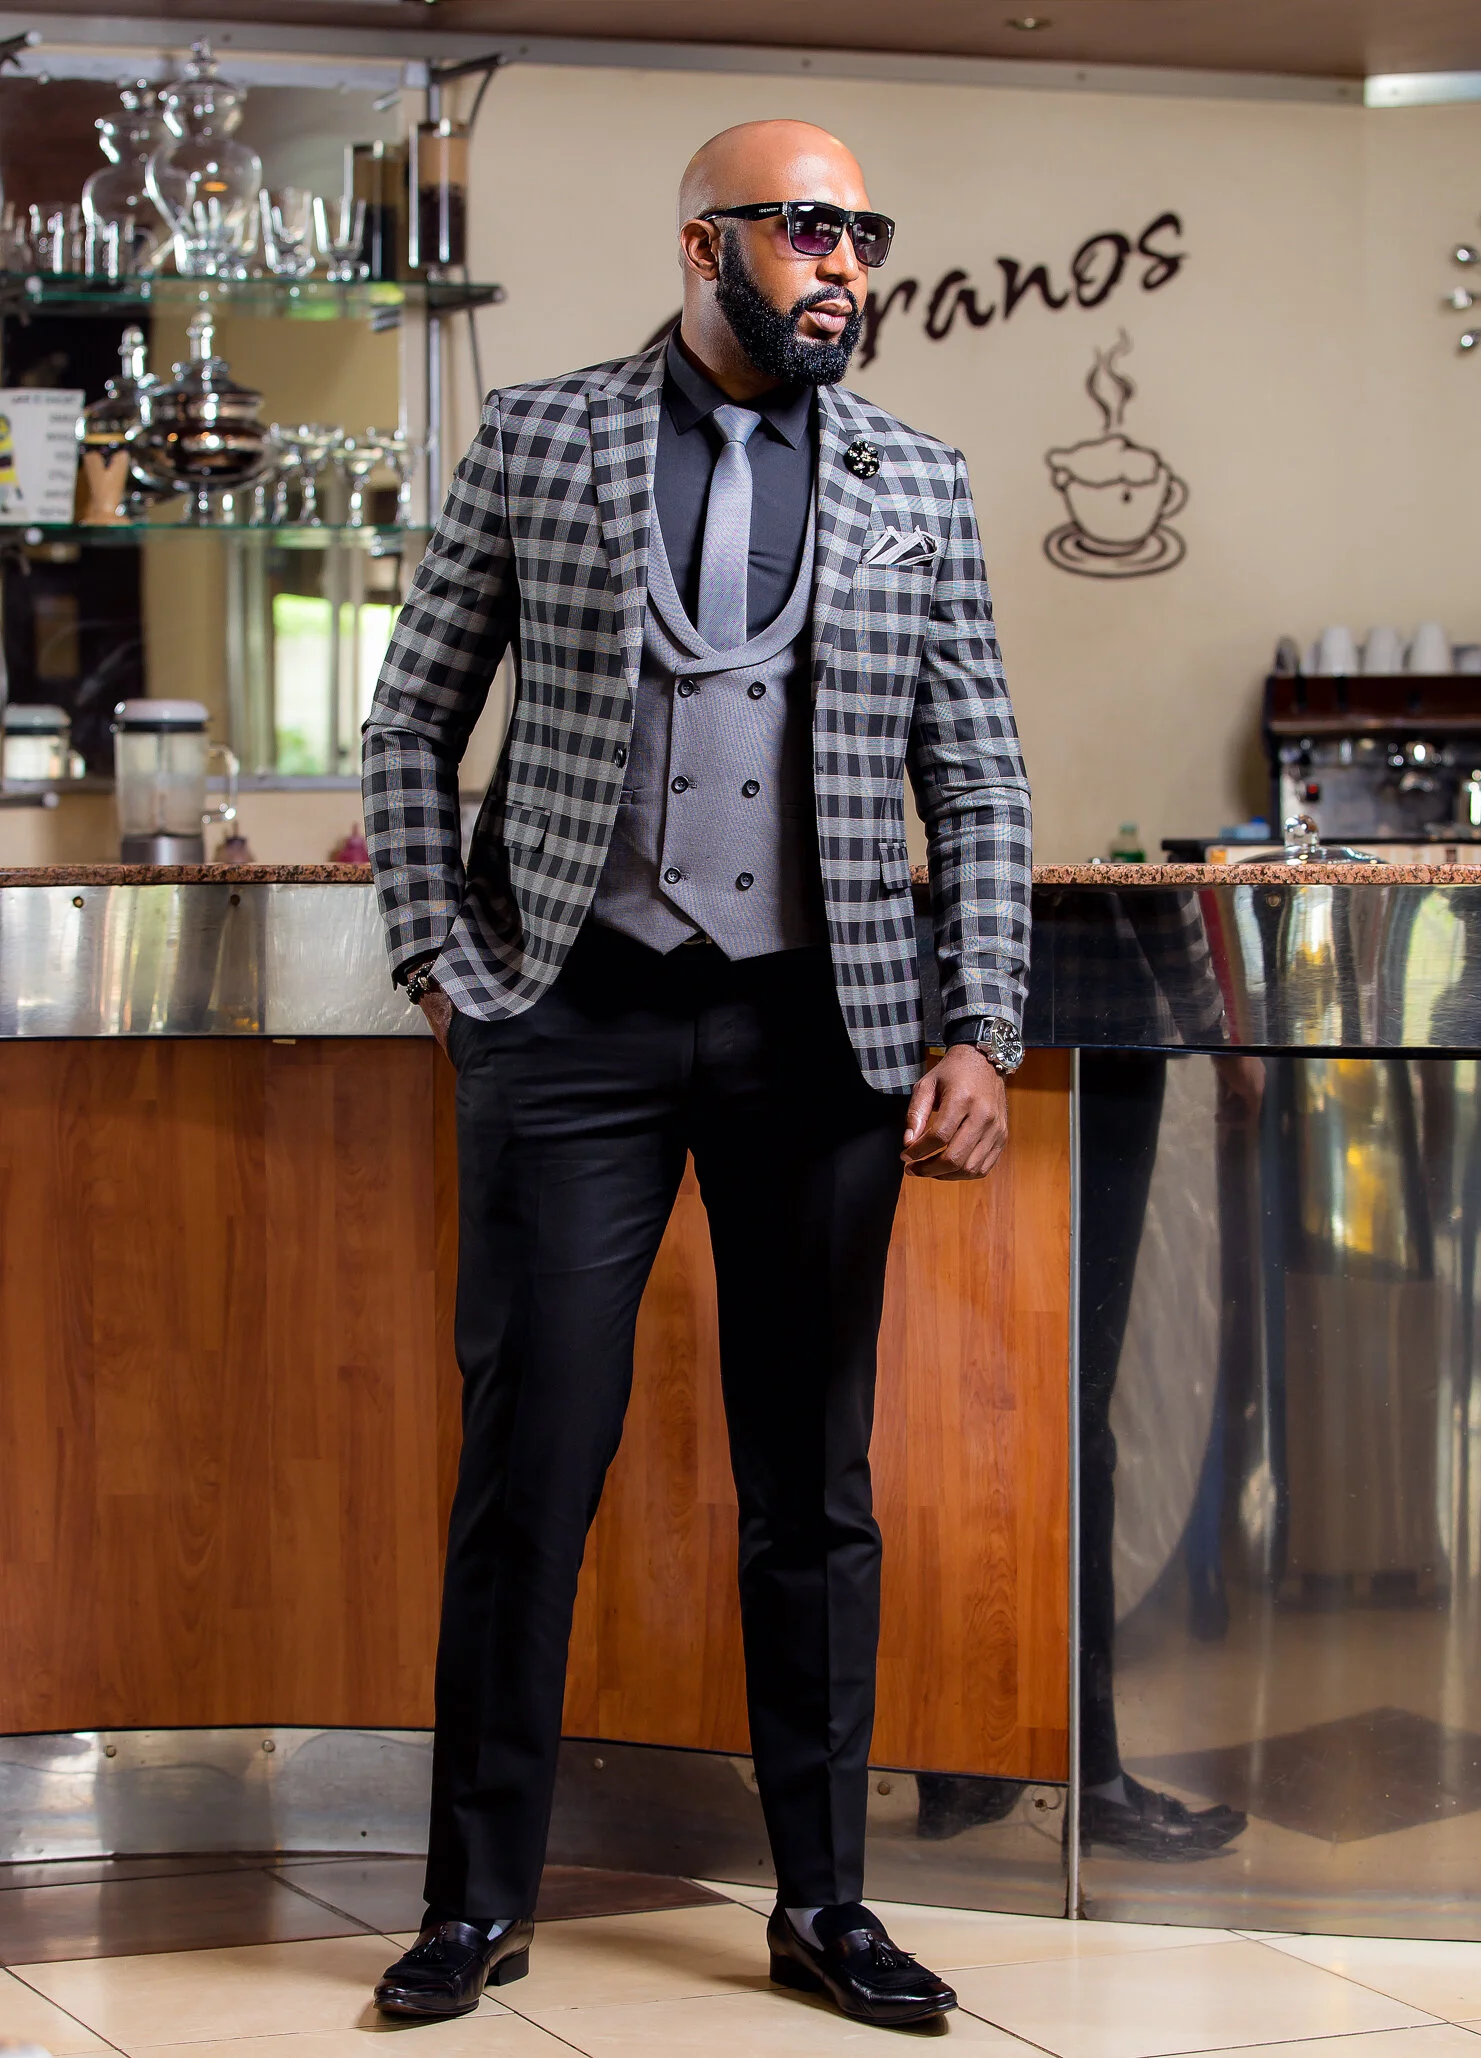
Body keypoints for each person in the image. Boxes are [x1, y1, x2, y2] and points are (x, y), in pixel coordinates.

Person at [362, 119, 1031, 2030]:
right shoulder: (543, 436)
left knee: (810, 1484)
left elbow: (975, 773)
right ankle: (475, 1902)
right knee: (529, 1468)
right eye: (809, 228)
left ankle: (822, 1900)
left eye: (865, 235)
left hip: (822, 1029)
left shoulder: (917, 475)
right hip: (570, 1014)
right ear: (704, 243)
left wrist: (975, 1017)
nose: (846, 266)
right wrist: (445, 959)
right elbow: (413, 714)